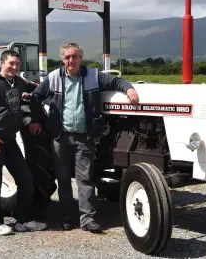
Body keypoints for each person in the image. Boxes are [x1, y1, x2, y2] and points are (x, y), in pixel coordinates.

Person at [29, 42, 139, 232]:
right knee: (62, 179)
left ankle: (87, 219)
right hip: (59, 137)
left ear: (81, 57)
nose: (71, 60)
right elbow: (35, 98)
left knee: (85, 179)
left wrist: (129, 89)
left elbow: (115, 82)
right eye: (67, 57)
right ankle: (67, 217)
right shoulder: (54, 77)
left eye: (74, 56)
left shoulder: (93, 76)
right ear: (63, 59)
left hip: (84, 137)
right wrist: (36, 120)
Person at [0, 49, 47, 235]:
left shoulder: (19, 82)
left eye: (17, 64)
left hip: (10, 139)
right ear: (2, 63)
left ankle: (24, 219)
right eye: (11, 64)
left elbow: (37, 90)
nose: (14, 67)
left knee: (25, 179)